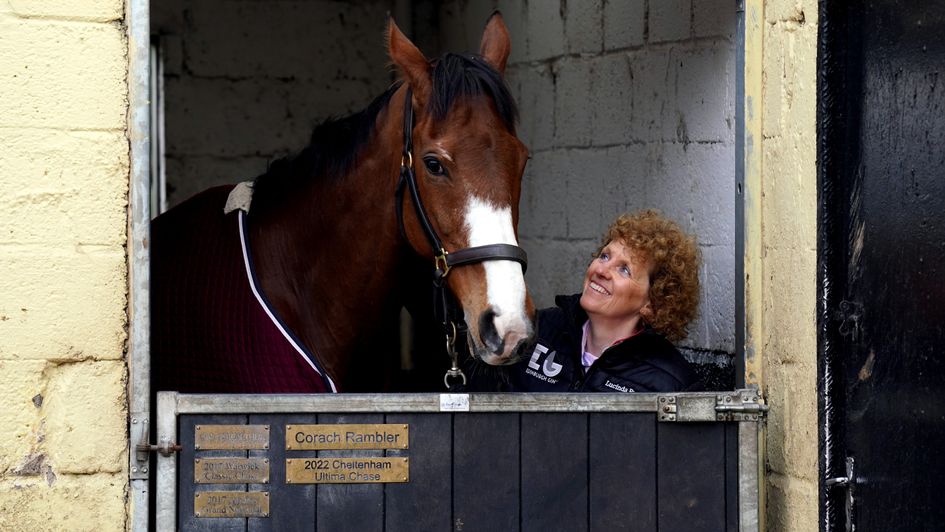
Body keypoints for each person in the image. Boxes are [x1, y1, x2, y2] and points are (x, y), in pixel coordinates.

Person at [472, 209, 703, 393]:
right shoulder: (535, 331)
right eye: (605, 256)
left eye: (624, 270)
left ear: (652, 303)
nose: (602, 270)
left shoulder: (670, 383)